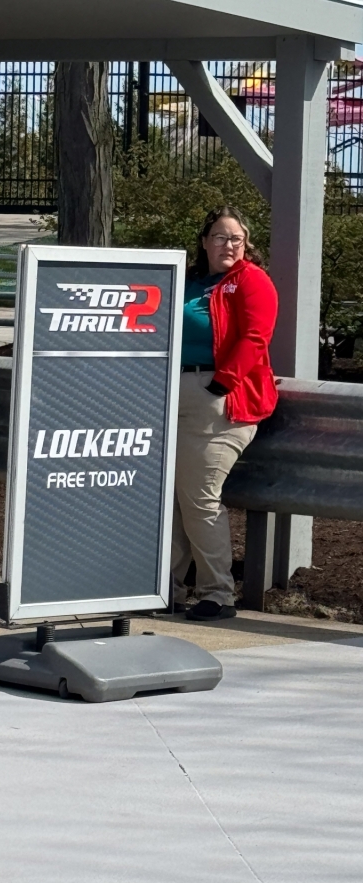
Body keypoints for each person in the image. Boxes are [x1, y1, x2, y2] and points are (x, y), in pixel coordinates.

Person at [173, 205, 279, 621]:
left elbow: (256, 336)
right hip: (174, 393)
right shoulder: (189, 281)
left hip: (220, 398)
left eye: (236, 238)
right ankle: (170, 590)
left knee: (200, 500)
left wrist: (222, 382)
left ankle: (217, 593)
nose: (229, 245)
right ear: (204, 242)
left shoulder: (252, 280)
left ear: (246, 243)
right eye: (220, 237)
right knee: (175, 503)